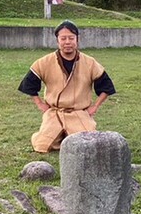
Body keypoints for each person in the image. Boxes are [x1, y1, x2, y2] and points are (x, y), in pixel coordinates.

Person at [18, 21, 116, 152]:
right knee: (42, 146)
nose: (67, 42)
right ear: (57, 41)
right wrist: (40, 104)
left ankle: (67, 136)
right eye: (63, 38)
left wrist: (95, 107)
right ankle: (60, 136)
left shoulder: (89, 62)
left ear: (77, 39)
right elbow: (29, 84)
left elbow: (106, 86)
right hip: (55, 112)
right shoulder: (44, 62)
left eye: (71, 38)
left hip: (79, 113)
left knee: (87, 146)